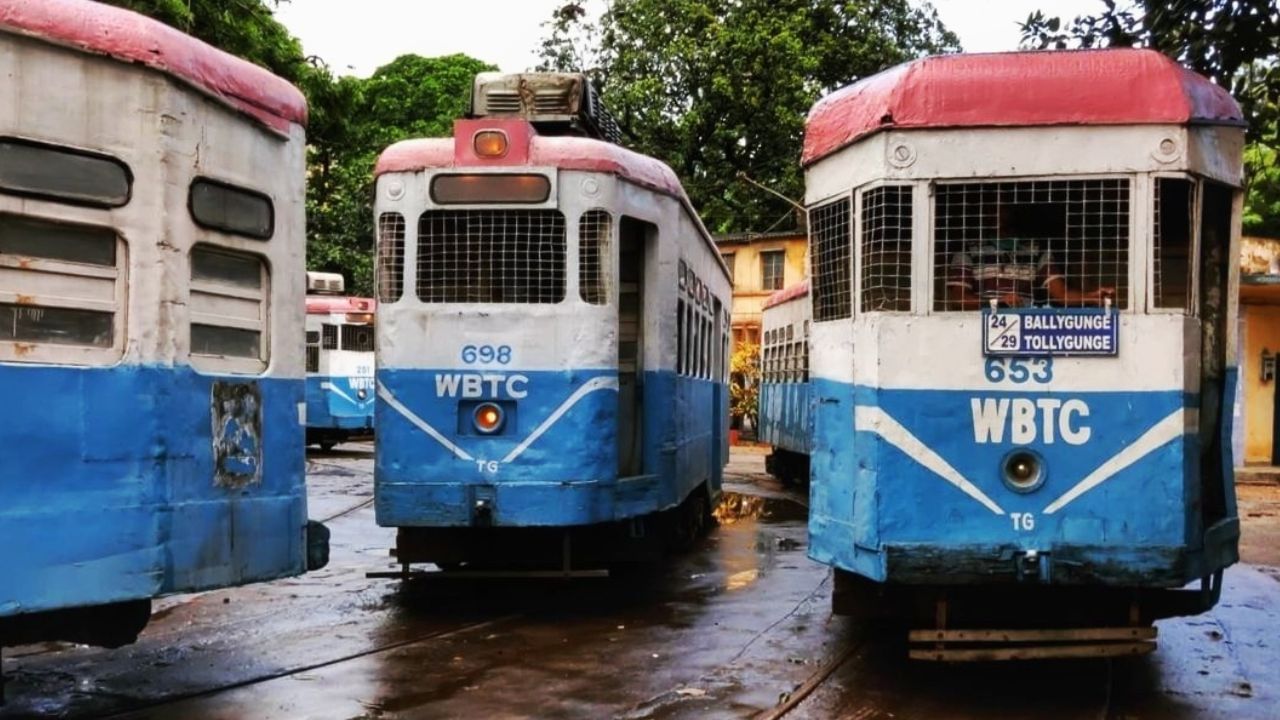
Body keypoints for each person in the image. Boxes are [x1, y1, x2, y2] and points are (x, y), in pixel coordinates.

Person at [945, 205, 1115, 310]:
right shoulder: (969, 250)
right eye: (994, 207)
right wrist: (998, 302)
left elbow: (1060, 293)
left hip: (1024, 325)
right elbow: (958, 299)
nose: (999, 212)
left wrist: (1092, 296)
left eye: (1005, 207)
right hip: (981, 328)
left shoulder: (1035, 250)